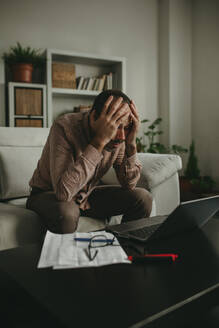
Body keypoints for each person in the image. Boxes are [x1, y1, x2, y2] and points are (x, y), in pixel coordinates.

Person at [26, 89, 152, 233]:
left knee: (143, 198)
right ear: (94, 117)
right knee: (66, 212)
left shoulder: (122, 137)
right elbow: (63, 193)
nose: (121, 136)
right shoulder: (65, 127)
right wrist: (99, 141)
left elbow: (129, 183)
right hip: (47, 195)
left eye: (127, 127)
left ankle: (122, 250)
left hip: (86, 196)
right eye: (116, 126)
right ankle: (68, 256)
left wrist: (131, 144)